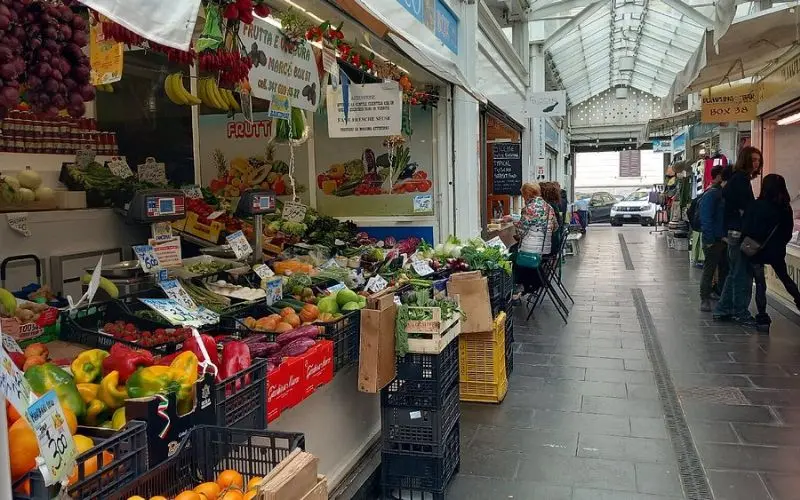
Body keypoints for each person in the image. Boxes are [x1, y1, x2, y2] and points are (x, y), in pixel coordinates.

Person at [743, 174, 800, 329]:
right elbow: (788, 232)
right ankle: (798, 299)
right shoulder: (785, 208)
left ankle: (762, 316)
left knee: (760, 283)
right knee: (785, 278)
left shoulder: (756, 205)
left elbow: (747, 228)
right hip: (776, 250)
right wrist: (779, 243)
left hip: (756, 250)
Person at [713, 146, 762, 326]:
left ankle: (723, 308)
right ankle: (740, 312)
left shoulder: (737, 179)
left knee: (735, 272)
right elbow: (745, 208)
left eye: (758, 159)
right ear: (746, 160)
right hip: (739, 233)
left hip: (733, 232)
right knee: (741, 274)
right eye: (753, 159)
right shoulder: (741, 180)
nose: (756, 163)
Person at [514, 182, 558, 292]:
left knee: (512, 255)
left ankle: (520, 288)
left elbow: (521, 231)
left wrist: (516, 225)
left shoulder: (529, 208)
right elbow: (555, 227)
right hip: (546, 249)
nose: (523, 197)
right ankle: (531, 284)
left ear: (528, 194)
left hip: (531, 249)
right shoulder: (549, 207)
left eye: (523, 195)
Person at [699, 164, 728, 312]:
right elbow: (706, 218)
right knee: (709, 269)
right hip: (714, 239)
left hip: (723, 239)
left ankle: (720, 295)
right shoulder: (712, 194)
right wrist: (709, 239)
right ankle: (704, 298)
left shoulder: (723, 193)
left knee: (723, 269)